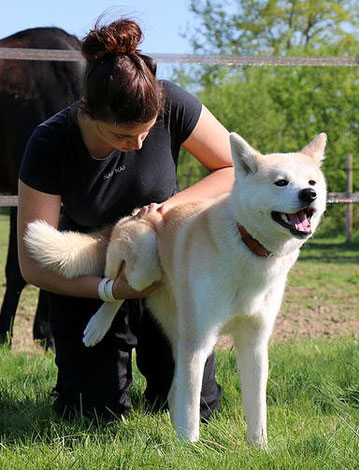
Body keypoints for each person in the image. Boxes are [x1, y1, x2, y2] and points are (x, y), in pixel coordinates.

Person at [17, 18, 234, 420]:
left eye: (145, 134)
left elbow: (234, 170)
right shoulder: (49, 142)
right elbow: (32, 264)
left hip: (166, 265)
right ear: (87, 110)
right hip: (93, 271)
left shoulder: (174, 103)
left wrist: (169, 209)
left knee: (197, 410)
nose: (135, 145)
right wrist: (110, 290)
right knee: (90, 413)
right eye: (121, 137)